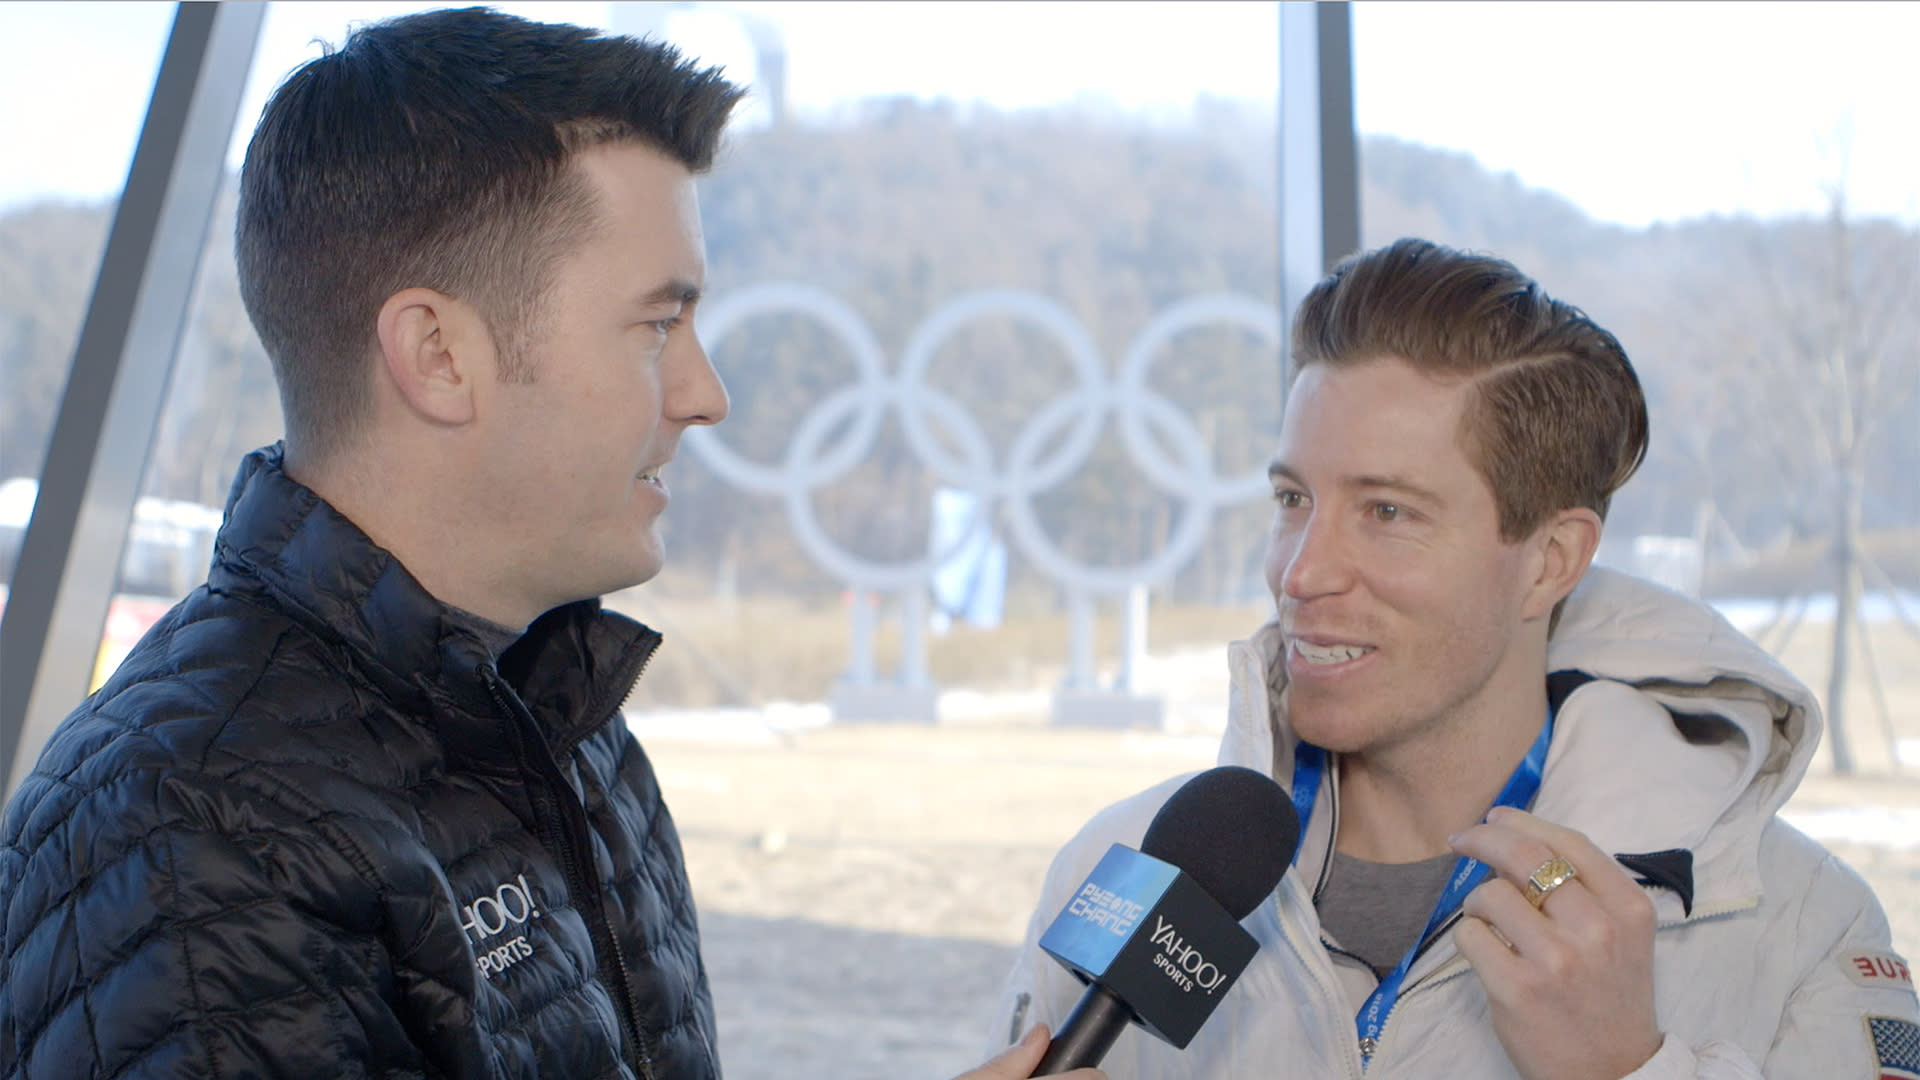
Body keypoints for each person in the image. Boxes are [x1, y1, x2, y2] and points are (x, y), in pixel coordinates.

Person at [0, 9, 1093, 1080]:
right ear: (437, 354)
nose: (707, 395)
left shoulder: (562, 725)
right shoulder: (188, 831)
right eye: (658, 326)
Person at [994, 238, 1920, 1078]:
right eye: (1291, 498)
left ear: (1550, 561)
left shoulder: (1794, 924)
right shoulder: (1119, 866)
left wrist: (1628, 1073)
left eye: (1387, 511)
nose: (1302, 570)